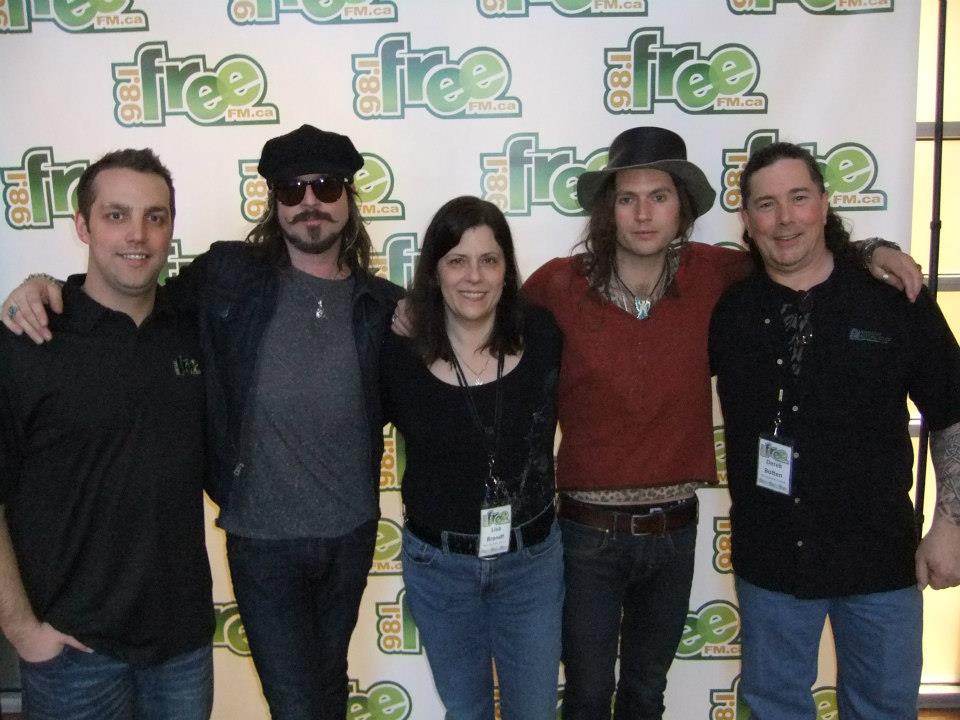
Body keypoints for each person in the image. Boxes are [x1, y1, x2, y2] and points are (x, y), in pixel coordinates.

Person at [517, 127, 923, 720]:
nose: (643, 213)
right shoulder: (557, 284)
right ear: (608, 211)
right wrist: (414, 313)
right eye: (627, 198)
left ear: (682, 205)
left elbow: (798, 249)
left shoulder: (718, 276)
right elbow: (486, 314)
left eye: (659, 196)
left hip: (674, 532)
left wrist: (873, 250)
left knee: (645, 694)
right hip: (586, 535)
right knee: (583, 695)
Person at [1, 125, 403, 720]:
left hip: (270, 586)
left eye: (325, 185)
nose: (310, 200)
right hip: (225, 564)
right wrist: (40, 286)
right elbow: (116, 291)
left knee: (326, 691)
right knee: (299, 704)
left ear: (349, 196)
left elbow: (461, 343)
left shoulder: (383, 306)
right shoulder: (225, 280)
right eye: (293, 189)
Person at [708, 141, 960, 720]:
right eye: (767, 205)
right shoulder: (728, 309)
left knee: (881, 709)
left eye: (799, 198)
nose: (785, 218)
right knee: (775, 709)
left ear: (825, 204)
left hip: (881, 563)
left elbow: (951, 409)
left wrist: (950, 522)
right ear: (746, 220)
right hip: (771, 563)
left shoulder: (894, 298)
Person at [0, 149, 214, 719]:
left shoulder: (193, 329)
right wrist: (24, 632)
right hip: (72, 652)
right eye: (116, 215)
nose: (138, 235)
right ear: (82, 224)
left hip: (183, 647)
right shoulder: (29, 339)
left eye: (156, 216)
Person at [381, 196, 563, 720]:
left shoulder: (543, 334)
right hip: (440, 569)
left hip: (530, 563)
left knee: (534, 711)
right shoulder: (398, 353)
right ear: (433, 272)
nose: (474, 277)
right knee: (466, 710)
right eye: (457, 261)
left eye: (489, 260)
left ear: (508, 269)